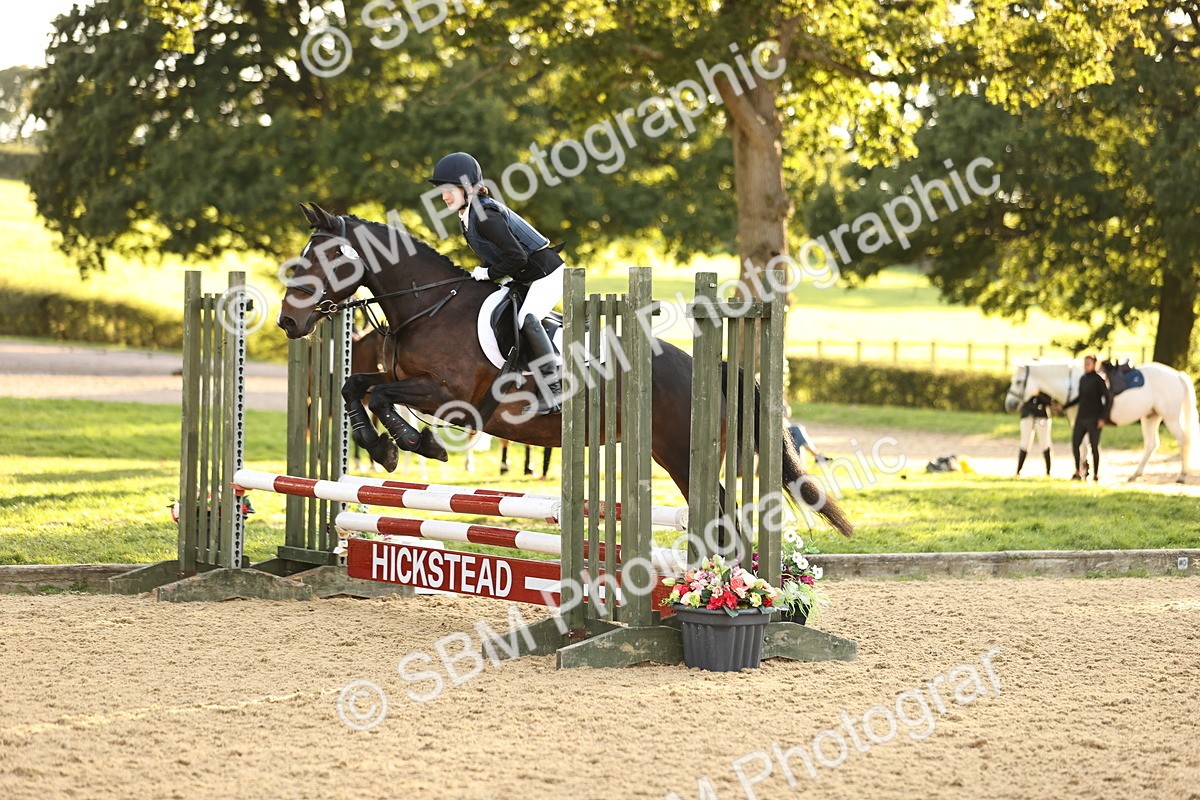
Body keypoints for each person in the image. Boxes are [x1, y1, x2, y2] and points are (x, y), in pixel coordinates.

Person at [430, 152, 565, 415]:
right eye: (442, 191)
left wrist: (489, 274)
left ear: (467, 188)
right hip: (525, 277)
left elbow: (517, 256)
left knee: (526, 317)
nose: (444, 196)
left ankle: (554, 390)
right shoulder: (469, 213)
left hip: (546, 275)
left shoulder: (483, 214)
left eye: (448, 190)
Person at [1059, 355, 1112, 482]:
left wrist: (1102, 418)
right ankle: (1078, 471)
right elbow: (1080, 398)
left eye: (1088, 363)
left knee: (1094, 447)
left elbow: (1108, 398)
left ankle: (1096, 474)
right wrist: (1064, 407)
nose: (1086, 365)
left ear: (1094, 364)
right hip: (1081, 418)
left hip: (1094, 419)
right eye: (1085, 363)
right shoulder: (1083, 379)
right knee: (1075, 444)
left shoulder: (1099, 380)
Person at [1016, 391, 1053, 476]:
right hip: (1027, 414)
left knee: (1045, 443)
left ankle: (1048, 472)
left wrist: (1039, 394)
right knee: (1025, 443)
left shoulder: (1045, 385)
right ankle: (1018, 471)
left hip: (1042, 415)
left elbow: (1049, 401)